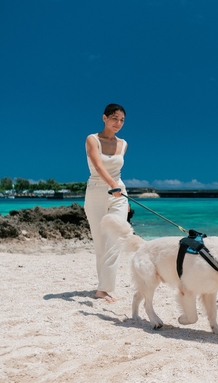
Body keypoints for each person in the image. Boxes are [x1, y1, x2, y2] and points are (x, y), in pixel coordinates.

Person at [84, 103, 130, 303]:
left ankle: (104, 289)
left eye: (121, 120)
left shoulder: (124, 144)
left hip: (119, 193)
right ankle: (102, 287)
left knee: (116, 239)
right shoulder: (92, 139)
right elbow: (98, 165)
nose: (118, 123)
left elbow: (116, 171)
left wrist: (119, 190)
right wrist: (111, 184)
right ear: (104, 118)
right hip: (96, 191)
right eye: (114, 118)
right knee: (101, 241)